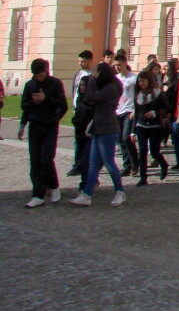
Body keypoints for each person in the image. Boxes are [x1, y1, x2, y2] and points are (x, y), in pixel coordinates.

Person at [69, 63, 126, 206]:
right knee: (93, 164)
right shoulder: (107, 87)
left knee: (109, 162)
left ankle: (120, 192)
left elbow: (89, 98)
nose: (92, 75)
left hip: (107, 128)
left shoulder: (110, 89)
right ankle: (87, 195)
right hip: (99, 128)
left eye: (95, 73)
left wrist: (91, 83)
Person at [19, 59, 68, 208]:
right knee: (35, 161)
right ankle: (37, 194)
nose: (38, 78)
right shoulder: (30, 85)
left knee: (47, 158)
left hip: (50, 126)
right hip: (35, 125)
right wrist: (22, 124)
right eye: (36, 75)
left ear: (46, 71)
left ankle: (54, 185)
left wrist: (46, 99)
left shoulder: (55, 83)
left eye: (40, 75)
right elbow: (24, 106)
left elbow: (63, 105)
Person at [133, 70, 169, 186]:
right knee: (142, 151)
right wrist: (133, 131)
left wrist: (155, 113)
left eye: (143, 81)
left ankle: (164, 164)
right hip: (141, 125)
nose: (141, 84)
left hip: (155, 126)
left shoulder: (158, 93)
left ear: (149, 81)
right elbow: (136, 112)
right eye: (139, 82)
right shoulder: (138, 94)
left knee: (154, 151)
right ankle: (143, 178)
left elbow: (167, 108)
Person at [68, 50, 97, 178]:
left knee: (88, 140)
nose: (81, 63)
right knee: (78, 140)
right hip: (78, 110)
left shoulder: (94, 75)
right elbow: (75, 90)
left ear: (90, 60)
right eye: (79, 61)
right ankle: (78, 164)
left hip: (89, 112)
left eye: (83, 61)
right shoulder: (79, 74)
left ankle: (88, 165)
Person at [114, 55, 140, 177]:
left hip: (129, 110)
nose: (117, 67)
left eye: (119, 64)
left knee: (126, 138)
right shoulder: (115, 79)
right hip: (118, 111)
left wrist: (136, 109)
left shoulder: (133, 78)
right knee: (120, 139)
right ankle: (127, 165)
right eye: (116, 65)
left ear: (124, 63)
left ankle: (135, 164)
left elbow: (138, 95)